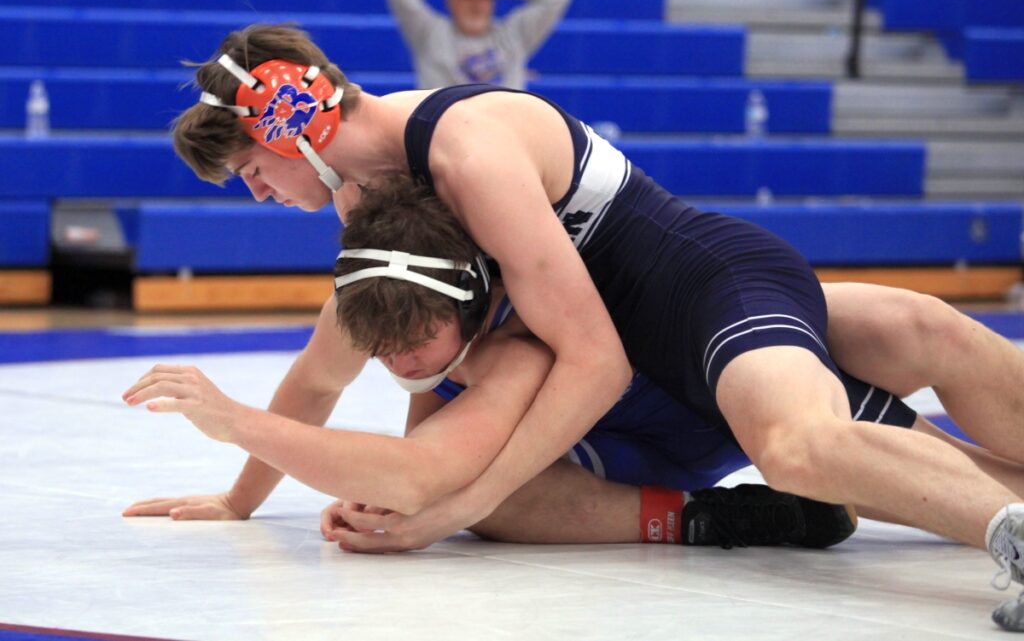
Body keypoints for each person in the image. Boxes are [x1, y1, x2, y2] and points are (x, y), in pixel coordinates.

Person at [168, 24, 1024, 628]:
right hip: (663, 358)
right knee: (853, 402)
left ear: (292, 120)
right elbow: (333, 368)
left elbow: (595, 360)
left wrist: (463, 500)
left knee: (807, 437)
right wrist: (243, 499)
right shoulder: (365, 198)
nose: (258, 193)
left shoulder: (466, 151)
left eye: (251, 169)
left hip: (700, 295)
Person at [124, 173, 862, 551]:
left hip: (689, 422)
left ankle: (709, 517)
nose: (398, 359)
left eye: (416, 341)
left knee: (479, 497)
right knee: (456, 493)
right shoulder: (381, 298)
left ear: (471, 304)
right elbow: (315, 384)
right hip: (631, 420)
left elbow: (419, 472)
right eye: (380, 347)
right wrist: (240, 500)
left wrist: (237, 421)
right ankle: (714, 514)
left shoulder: (518, 342)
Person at [383, 0, 572, 88]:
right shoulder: (430, 32)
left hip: (502, 129)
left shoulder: (514, 33)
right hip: (444, 129)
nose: (476, 4)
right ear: (450, 0)